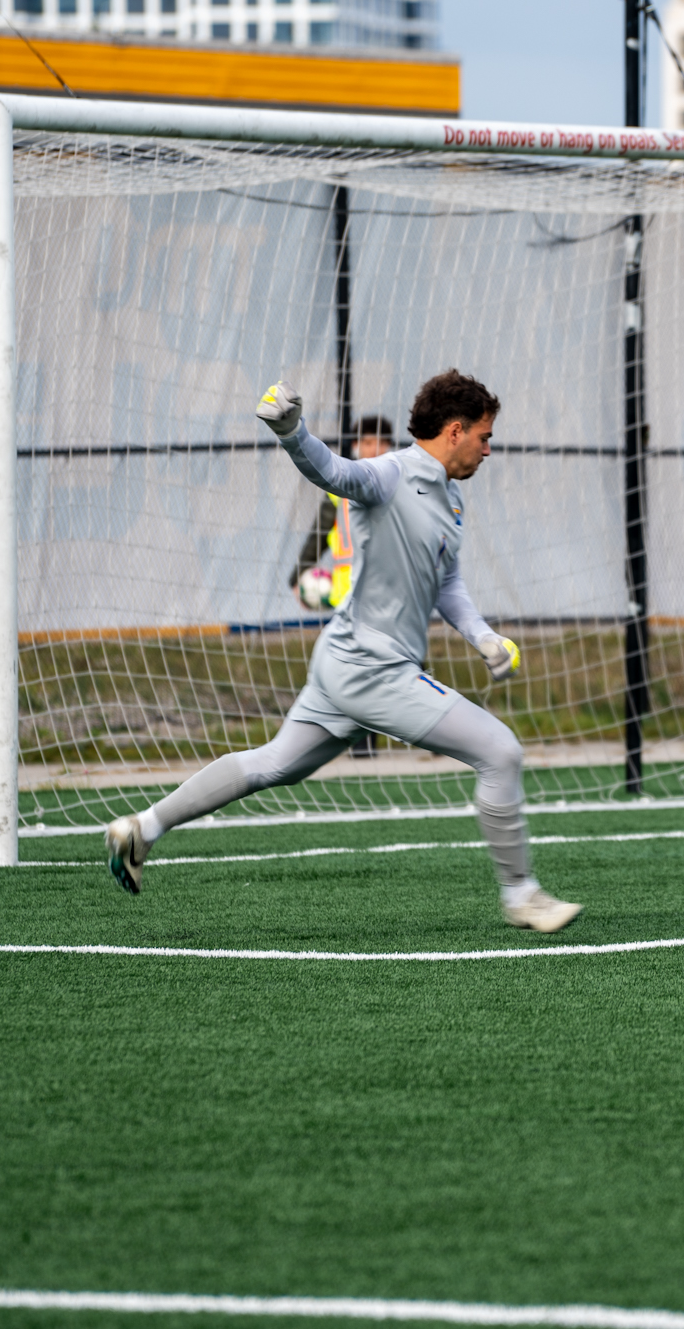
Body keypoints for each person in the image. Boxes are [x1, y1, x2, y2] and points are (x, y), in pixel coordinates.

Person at [105, 369, 582, 934]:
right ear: (455, 431)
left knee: (272, 764)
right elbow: (333, 471)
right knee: (500, 752)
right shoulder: (390, 474)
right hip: (373, 671)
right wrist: (291, 431)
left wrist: (481, 636)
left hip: (344, 662)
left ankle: (142, 829)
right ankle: (521, 894)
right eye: (484, 437)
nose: (487, 449)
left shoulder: (451, 500)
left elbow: (448, 584)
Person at [289, 413, 395, 610]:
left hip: (390, 589)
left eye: (381, 442)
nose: (375, 449)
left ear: (389, 445)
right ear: (356, 445)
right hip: (348, 593)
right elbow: (318, 536)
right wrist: (298, 575)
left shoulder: (398, 485)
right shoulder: (341, 486)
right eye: (368, 442)